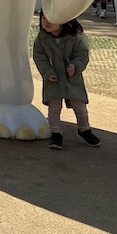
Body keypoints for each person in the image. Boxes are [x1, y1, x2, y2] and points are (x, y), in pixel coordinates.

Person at [33, 13, 100, 150]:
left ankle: (84, 129)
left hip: (72, 78)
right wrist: (47, 72)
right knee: (54, 108)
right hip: (53, 79)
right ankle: (56, 133)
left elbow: (82, 54)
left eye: (51, 17)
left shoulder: (74, 37)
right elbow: (39, 58)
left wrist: (75, 66)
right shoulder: (41, 39)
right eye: (44, 18)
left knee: (80, 106)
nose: (47, 22)